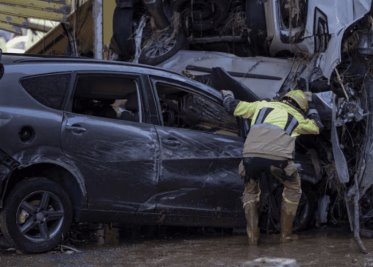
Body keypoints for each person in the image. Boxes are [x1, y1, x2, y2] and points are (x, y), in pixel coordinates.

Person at [221, 89, 323, 245]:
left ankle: (253, 238)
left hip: (250, 159)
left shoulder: (261, 106)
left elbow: (231, 106)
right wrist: (313, 107)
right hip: (278, 162)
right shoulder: (297, 117)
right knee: (293, 188)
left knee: (250, 192)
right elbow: (317, 127)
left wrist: (227, 94)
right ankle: (286, 236)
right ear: (300, 107)